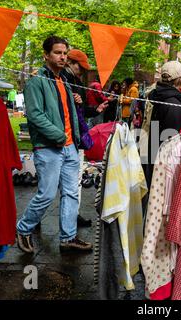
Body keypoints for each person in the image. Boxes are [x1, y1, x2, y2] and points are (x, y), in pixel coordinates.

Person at [16, 36, 92, 253]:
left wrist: (74, 135)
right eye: (58, 52)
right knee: (47, 194)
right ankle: (23, 228)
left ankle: (68, 238)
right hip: (49, 147)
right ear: (46, 55)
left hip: (69, 147)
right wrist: (59, 136)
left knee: (71, 193)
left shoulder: (64, 82)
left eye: (65, 53)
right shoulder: (36, 81)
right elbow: (35, 116)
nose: (62, 57)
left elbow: (68, 114)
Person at [62, 48, 108, 227]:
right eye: (79, 66)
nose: (81, 70)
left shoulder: (75, 81)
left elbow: (79, 111)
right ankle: (32, 221)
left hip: (76, 136)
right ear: (70, 63)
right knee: (51, 188)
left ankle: (73, 215)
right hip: (67, 137)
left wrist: (95, 110)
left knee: (75, 182)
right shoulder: (63, 81)